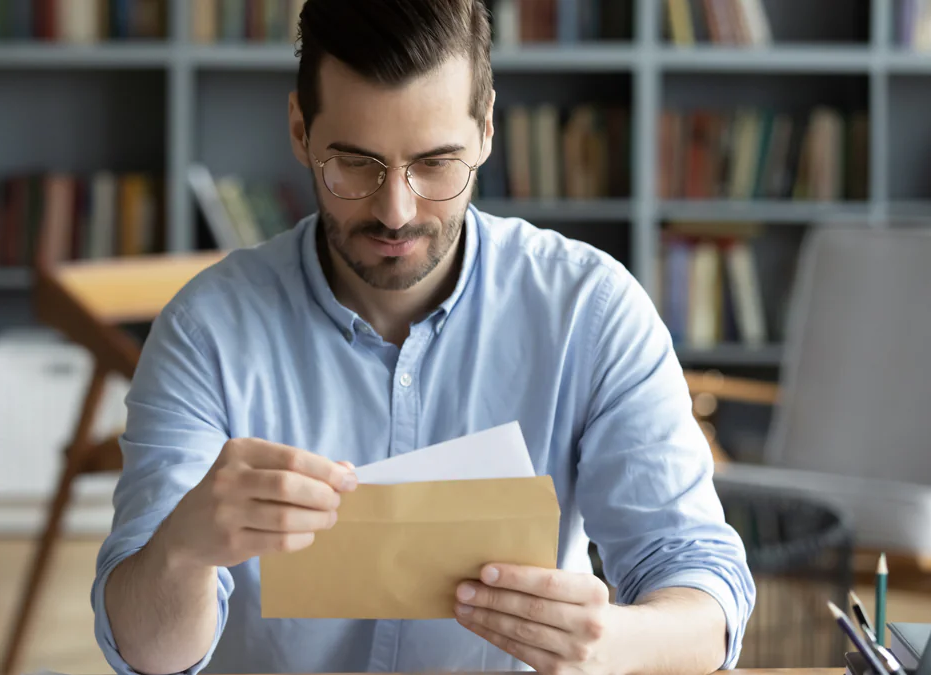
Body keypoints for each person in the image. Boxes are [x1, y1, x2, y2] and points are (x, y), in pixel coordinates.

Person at [94, 1, 756, 674]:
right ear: (300, 129)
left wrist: (612, 643)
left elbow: (702, 587)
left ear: (487, 130)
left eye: (437, 164)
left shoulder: (591, 310)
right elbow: (146, 652)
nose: (395, 210)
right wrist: (184, 549)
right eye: (355, 164)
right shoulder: (205, 329)